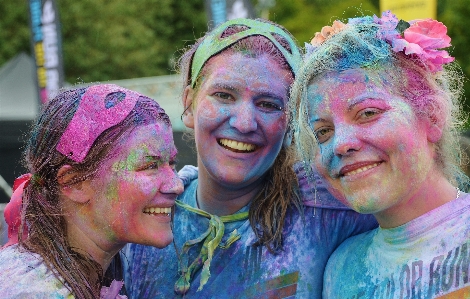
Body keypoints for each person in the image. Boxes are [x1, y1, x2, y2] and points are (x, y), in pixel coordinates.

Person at [122, 18, 377, 298]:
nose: (244, 123)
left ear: (290, 121)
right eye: (224, 95)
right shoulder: (143, 218)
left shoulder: (329, 210)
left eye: (268, 104)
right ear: (189, 103)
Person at [290, 11, 470, 298]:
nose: (340, 144)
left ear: (432, 116)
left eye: (368, 113)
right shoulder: (341, 269)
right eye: (322, 131)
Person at [0, 84, 184, 298]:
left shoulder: (89, 276)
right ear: (75, 183)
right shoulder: (33, 292)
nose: (176, 185)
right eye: (150, 166)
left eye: (172, 163)